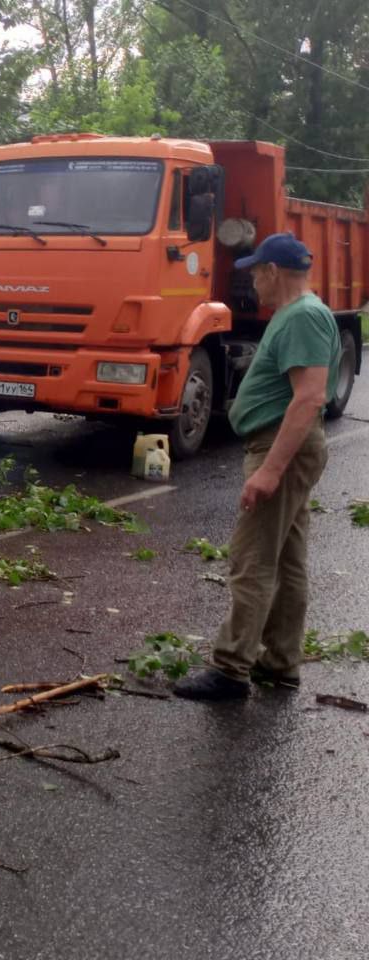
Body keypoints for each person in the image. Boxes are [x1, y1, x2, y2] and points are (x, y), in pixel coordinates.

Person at [173, 233, 342, 701]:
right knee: (287, 559)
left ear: (273, 271)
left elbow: (308, 397)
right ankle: (280, 662)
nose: (251, 280)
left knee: (252, 561)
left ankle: (230, 669)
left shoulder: (303, 316)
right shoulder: (299, 314)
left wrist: (268, 470)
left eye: (255, 271)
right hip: (284, 446)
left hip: (280, 447)